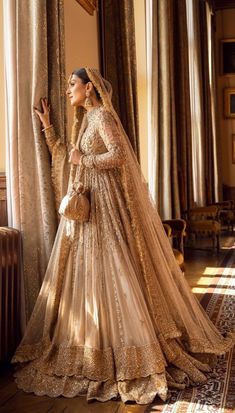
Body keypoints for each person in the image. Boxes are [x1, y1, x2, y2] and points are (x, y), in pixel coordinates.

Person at [12, 67, 234, 405]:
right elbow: (68, 159)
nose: (68, 89)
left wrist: (84, 157)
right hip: (89, 212)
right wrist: (48, 127)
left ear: (90, 88)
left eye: (73, 84)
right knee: (89, 278)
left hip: (105, 209)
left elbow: (119, 157)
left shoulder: (102, 116)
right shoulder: (86, 120)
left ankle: (131, 352)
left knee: (114, 271)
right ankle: (91, 349)